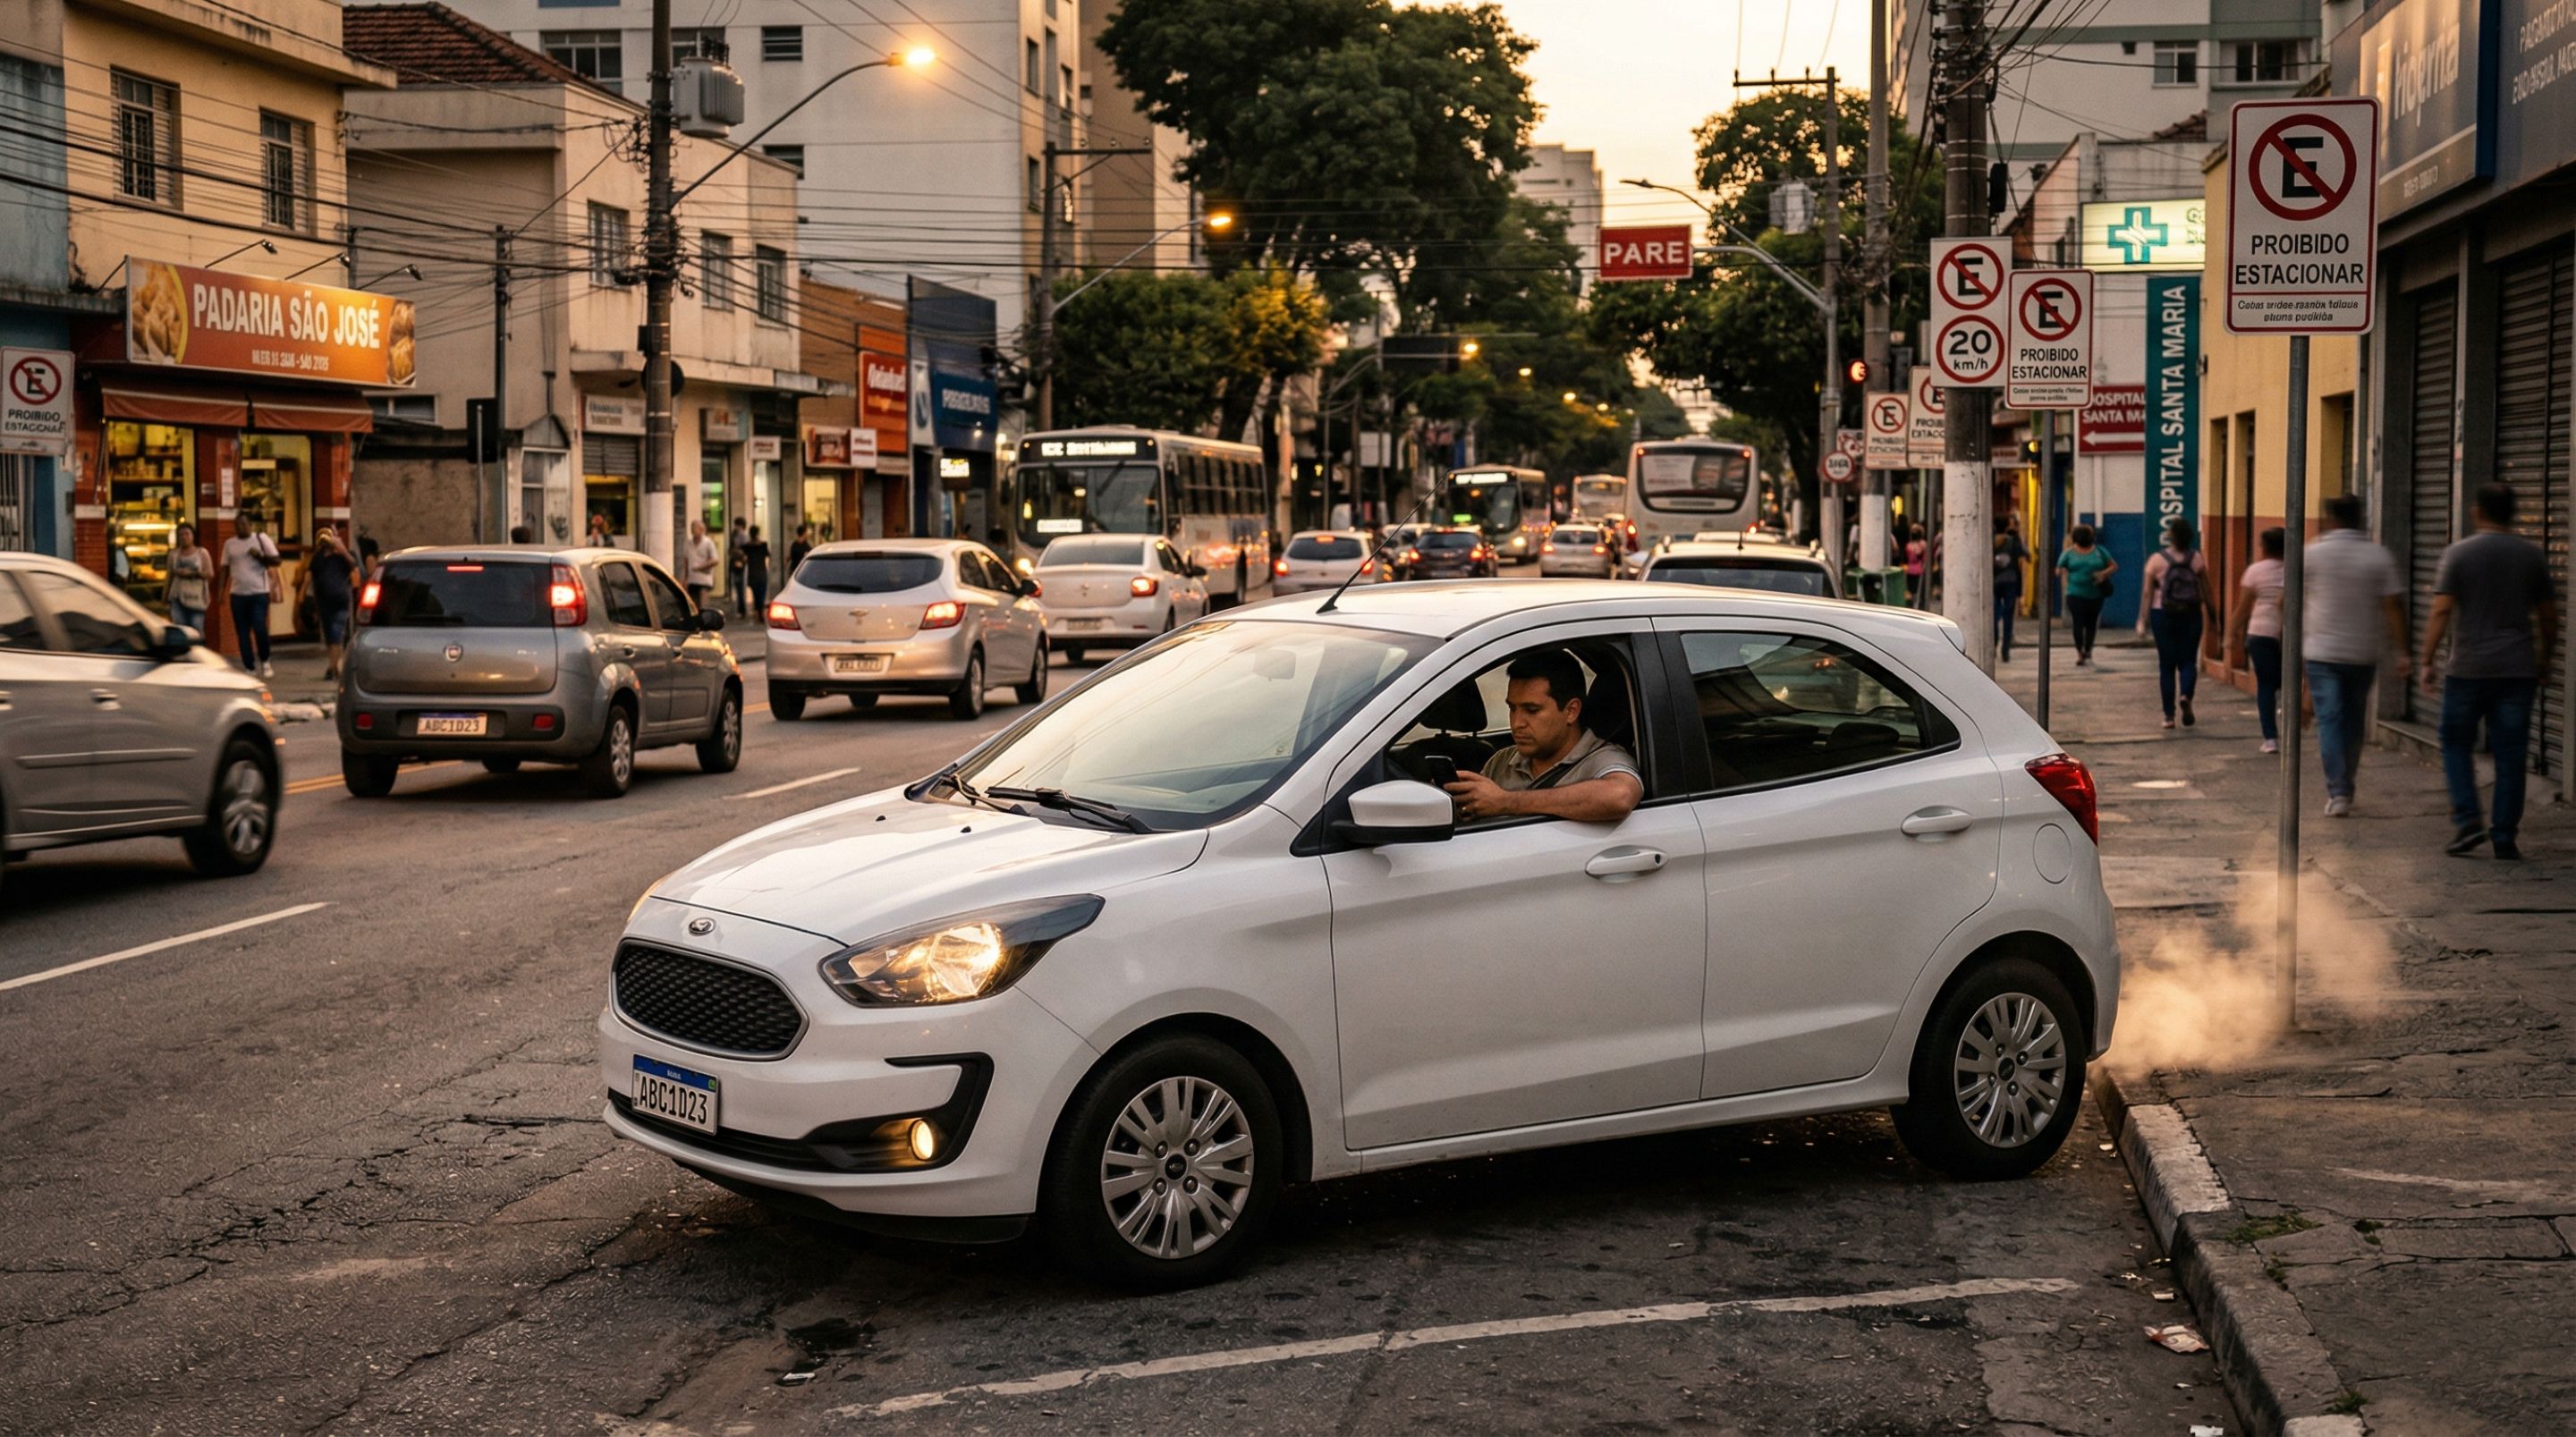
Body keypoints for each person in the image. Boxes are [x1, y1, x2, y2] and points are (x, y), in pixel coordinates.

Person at [2420, 484, 2559, 860]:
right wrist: (2544, 660)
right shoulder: (2531, 556)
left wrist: (2426, 660)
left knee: (2454, 743)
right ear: (2512, 512)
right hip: (2517, 670)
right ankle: (2504, 835)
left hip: (2467, 670)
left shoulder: (2458, 554)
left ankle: (2468, 820)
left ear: (2478, 511)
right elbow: (2548, 617)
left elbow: (2440, 610)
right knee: (2511, 754)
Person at [1443, 649, 1643, 825]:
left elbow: (1620, 796)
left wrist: (1505, 802)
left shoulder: (1603, 759)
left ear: (1571, 711)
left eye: (1531, 710)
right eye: (1512, 708)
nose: (1517, 722)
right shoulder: (1502, 761)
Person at [2303, 494, 2409, 818]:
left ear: (2330, 519)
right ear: (2360, 518)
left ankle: (2338, 790)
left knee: (2331, 719)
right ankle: (2345, 784)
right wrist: (2402, 650)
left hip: (2321, 654)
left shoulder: (2313, 553)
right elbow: (2393, 607)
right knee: (2352, 722)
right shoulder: (2377, 555)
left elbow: (2287, 600)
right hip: (2362, 654)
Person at [2137, 518, 2214, 729]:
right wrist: (2215, 617)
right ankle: (2186, 696)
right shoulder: (2196, 559)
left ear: (2171, 536)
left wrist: (2142, 621)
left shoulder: (2156, 560)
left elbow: (2147, 593)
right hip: (2191, 614)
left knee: (2167, 665)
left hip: (2163, 614)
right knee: (2188, 660)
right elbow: (2206, 589)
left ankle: (2168, 716)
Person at [2226, 528, 2286, 753]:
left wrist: (2230, 633)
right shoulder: (2296, 568)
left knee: (2266, 686)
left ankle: (2270, 738)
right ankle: (2288, 721)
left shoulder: (2255, 571)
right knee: (2288, 681)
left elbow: (2243, 608)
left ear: (2264, 548)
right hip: (2289, 634)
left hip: (2260, 633)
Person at [219, 513, 281, 678]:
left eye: (244, 524)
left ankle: (265, 660)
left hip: (259, 592)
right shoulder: (229, 544)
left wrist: (259, 556)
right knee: (242, 632)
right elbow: (224, 568)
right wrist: (221, 593)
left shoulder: (261, 539)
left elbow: (277, 560)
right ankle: (249, 666)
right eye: (237, 525)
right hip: (238, 594)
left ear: (251, 525)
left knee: (259, 627)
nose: (241, 528)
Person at [297, 525, 360, 680]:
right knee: (329, 634)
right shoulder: (318, 556)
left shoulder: (344, 555)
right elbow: (309, 575)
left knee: (336, 633)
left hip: (340, 600)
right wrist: (302, 593)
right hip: (323, 602)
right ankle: (335, 667)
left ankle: (332, 668)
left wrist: (342, 550)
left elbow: (355, 568)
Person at [2055, 522, 2117, 666]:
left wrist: (2102, 574)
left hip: (2095, 594)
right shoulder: (2069, 553)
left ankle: (2088, 649)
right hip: (2075, 594)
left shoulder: (2100, 551)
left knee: (2091, 622)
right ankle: (2080, 651)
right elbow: (2059, 569)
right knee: (2078, 622)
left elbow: (2113, 566)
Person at [165, 523, 214, 637]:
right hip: (177, 598)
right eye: (181, 535)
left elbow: (210, 574)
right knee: (180, 629)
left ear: (193, 536)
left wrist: (193, 573)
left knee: (196, 628)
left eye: (187, 534)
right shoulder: (173, 554)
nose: (184, 537)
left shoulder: (202, 553)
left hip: (196, 598)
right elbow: (169, 577)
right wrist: (165, 598)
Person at [1992, 516, 2028, 663]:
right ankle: (2005, 649)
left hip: (1993, 581)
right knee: (2008, 617)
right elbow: (2026, 554)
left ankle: (1993, 645)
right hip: (2011, 581)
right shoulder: (2013, 540)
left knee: (1993, 616)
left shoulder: (1990, 541)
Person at [683, 519, 721, 611]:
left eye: (695, 527)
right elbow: (686, 560)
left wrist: (701, 567)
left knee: (702, 605)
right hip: (692, 579)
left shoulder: (708, 543)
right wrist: (685, 578)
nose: (692, 530)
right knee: (693, 606)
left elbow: (715, 560)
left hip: (704, 579)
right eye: (691, 527)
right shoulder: (688, 543)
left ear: (701, 529)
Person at [741, 525, 773, 615]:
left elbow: (743, 558)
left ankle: (757, 609)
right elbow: (768, 556)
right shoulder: (763, 545)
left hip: (752, 572)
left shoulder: (747, 546)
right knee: (762, 592)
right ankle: (760, 610)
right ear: (758, 533)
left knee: (755, 593)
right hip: (762, 571)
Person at [1902, 524, 1929, 609]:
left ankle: (1915, 604)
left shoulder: (1909, 545)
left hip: (1912, 570)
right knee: (1915, 590)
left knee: (1914, 590)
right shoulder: (1921, 544)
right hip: (1917, 570)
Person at [726, 517, 750, 611]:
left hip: (740, 562)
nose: (736, 527)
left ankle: (742, 607)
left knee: (740, 585)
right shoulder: (734, 535)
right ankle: (739, 606)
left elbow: (744, 550)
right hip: (734, 560)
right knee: (736, 584)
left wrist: (738, 553)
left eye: (737, 525)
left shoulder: (743, 535)